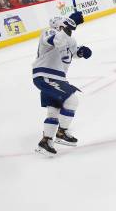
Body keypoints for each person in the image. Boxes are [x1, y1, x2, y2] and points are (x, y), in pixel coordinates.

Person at [32, 12, 91, 156]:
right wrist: (70, 23)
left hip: (56, 78)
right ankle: (62, 132)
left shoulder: (69, 39)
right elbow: (58, 41)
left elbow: (71, 52)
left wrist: (81, 52)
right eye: (63, 26)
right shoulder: (49, 32)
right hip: (46, 74)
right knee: (71, 100)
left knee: (54, 110)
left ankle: (46, 142)